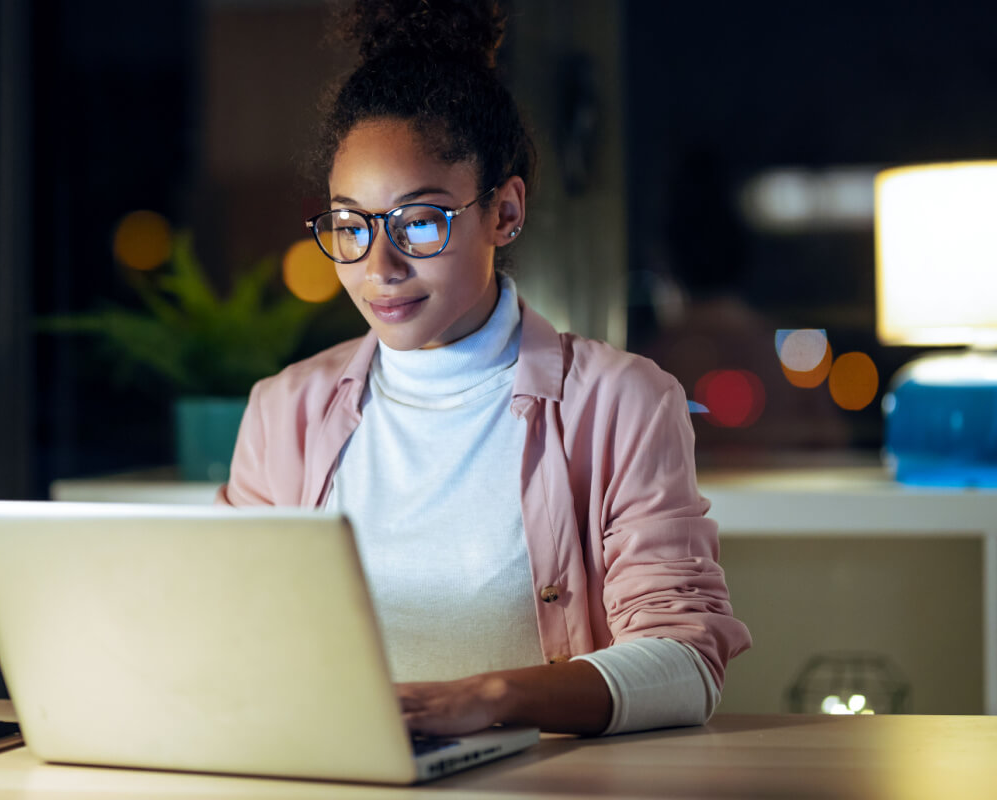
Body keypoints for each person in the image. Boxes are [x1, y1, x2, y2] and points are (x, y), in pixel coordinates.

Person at [217, 0, 751, 737]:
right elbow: (228, 632)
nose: (380, 267)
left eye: (420, 223)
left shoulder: (620, 401)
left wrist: (491, 700)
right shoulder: (287, 409)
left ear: (504, 212)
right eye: (350, 225)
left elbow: (686, 661)